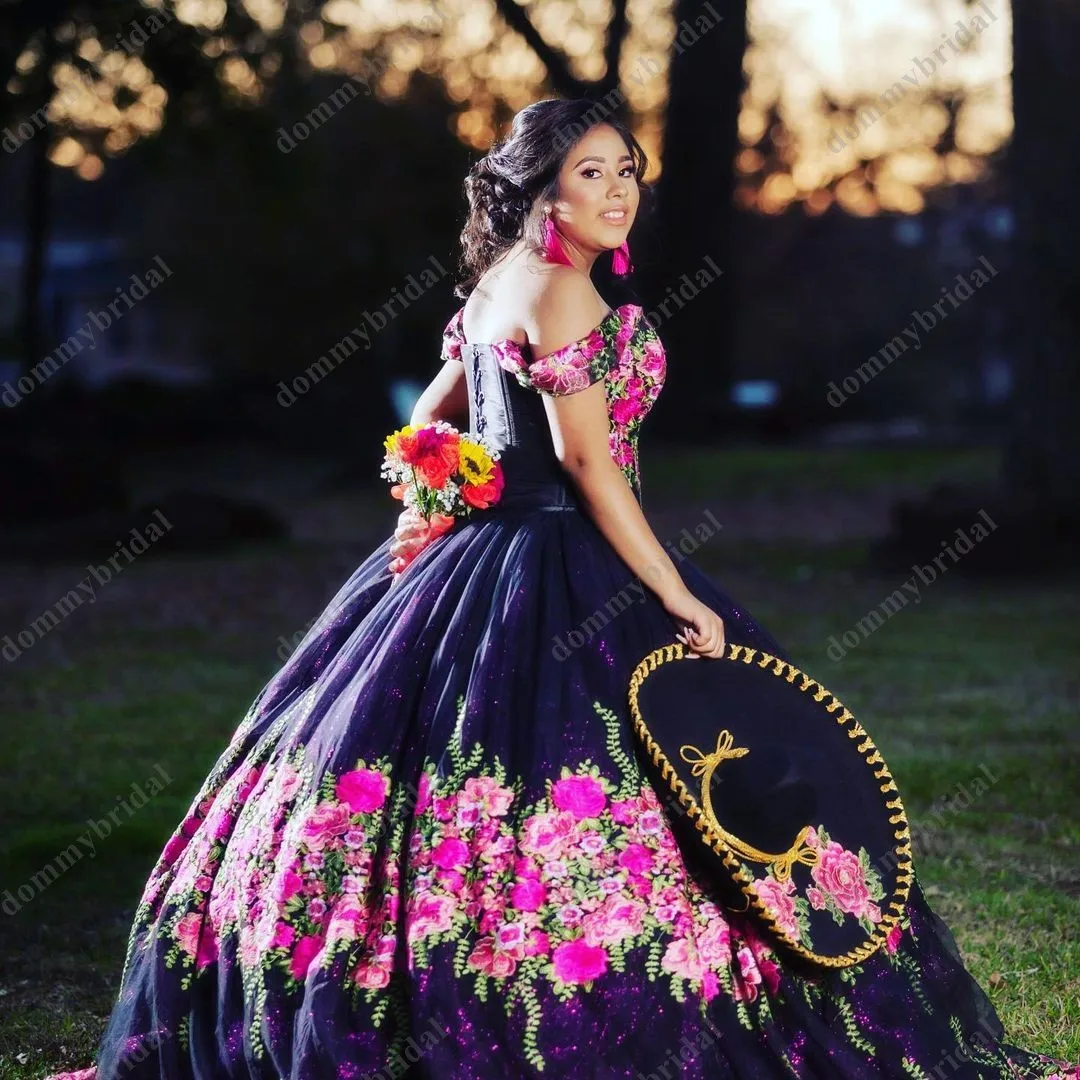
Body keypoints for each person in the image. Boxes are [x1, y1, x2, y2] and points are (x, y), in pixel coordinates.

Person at [46, 99, 1077, 1080]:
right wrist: (675, 589)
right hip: (559, 553)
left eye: (628, 170)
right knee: (625, 773)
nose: (619, 190)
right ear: (542, 193)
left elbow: (426, 424)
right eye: (593, 173)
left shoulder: (492, 287)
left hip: (472, 560)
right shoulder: (565, 290)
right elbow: (590, 468)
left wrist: (430, 503)